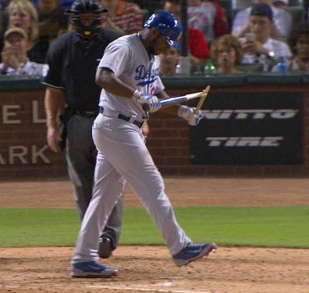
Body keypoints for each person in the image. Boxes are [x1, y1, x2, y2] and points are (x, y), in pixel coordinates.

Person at [70, 10, 216, 278]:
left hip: (125, 127)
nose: (165, 48)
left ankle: (83, 258)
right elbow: (102, 77)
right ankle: (180, 246)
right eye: (165, 42)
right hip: (116, 125)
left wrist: (184, 112)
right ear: (155, 32)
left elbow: (159, 96)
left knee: (104, 196)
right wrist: (137, 95)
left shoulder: (151, 57)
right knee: (152, 185)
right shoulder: (124, 46)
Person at [44, 0, 123, 259]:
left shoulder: (117, 43)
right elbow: (54, 91)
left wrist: (141, 121)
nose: (87, 21)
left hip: (112, 117)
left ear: (101, 17)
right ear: (73, 18)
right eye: (83, 16)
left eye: (92, 16)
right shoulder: (61, 47)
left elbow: (136, 84)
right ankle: (91, 236)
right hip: (77, 119)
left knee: (110, 180)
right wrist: (51, 126)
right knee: (81, 183)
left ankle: (108, 235)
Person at [0, 0, 45, 67]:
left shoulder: (41, 46)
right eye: (14, 14)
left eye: (22, 15)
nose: (17, 18)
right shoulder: (0, 44)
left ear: (31, 21)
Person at [238, 3, 292, 70]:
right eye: (253, 22)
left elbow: (285, 67)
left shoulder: (281, 46)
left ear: (270, 24)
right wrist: (239, 53)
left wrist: (267, 53)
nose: (257, 27)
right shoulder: (238, 44)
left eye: (262, 23)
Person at [163, 0, 210, 68]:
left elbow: (203, 65)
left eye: (177, 13)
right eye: (169, 14)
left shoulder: (196, 35)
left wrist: (187, 57)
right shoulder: (155, 37)